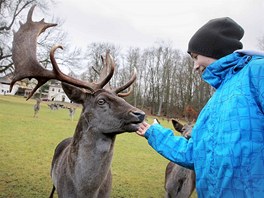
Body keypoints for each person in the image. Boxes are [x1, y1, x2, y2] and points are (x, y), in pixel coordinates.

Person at [136, 17, 264, 197]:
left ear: (212, 48)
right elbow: (194, 153)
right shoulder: (213, 104)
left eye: (195, 57)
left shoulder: (257, 72)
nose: (195, 66)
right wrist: (153, 132)